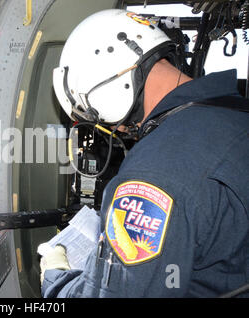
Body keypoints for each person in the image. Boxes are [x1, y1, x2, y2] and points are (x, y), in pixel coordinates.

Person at [41, 9, 249, 297]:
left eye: (100, 117)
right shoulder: (234, 113)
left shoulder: (155, 172)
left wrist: (56, 279)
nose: (119, 130)